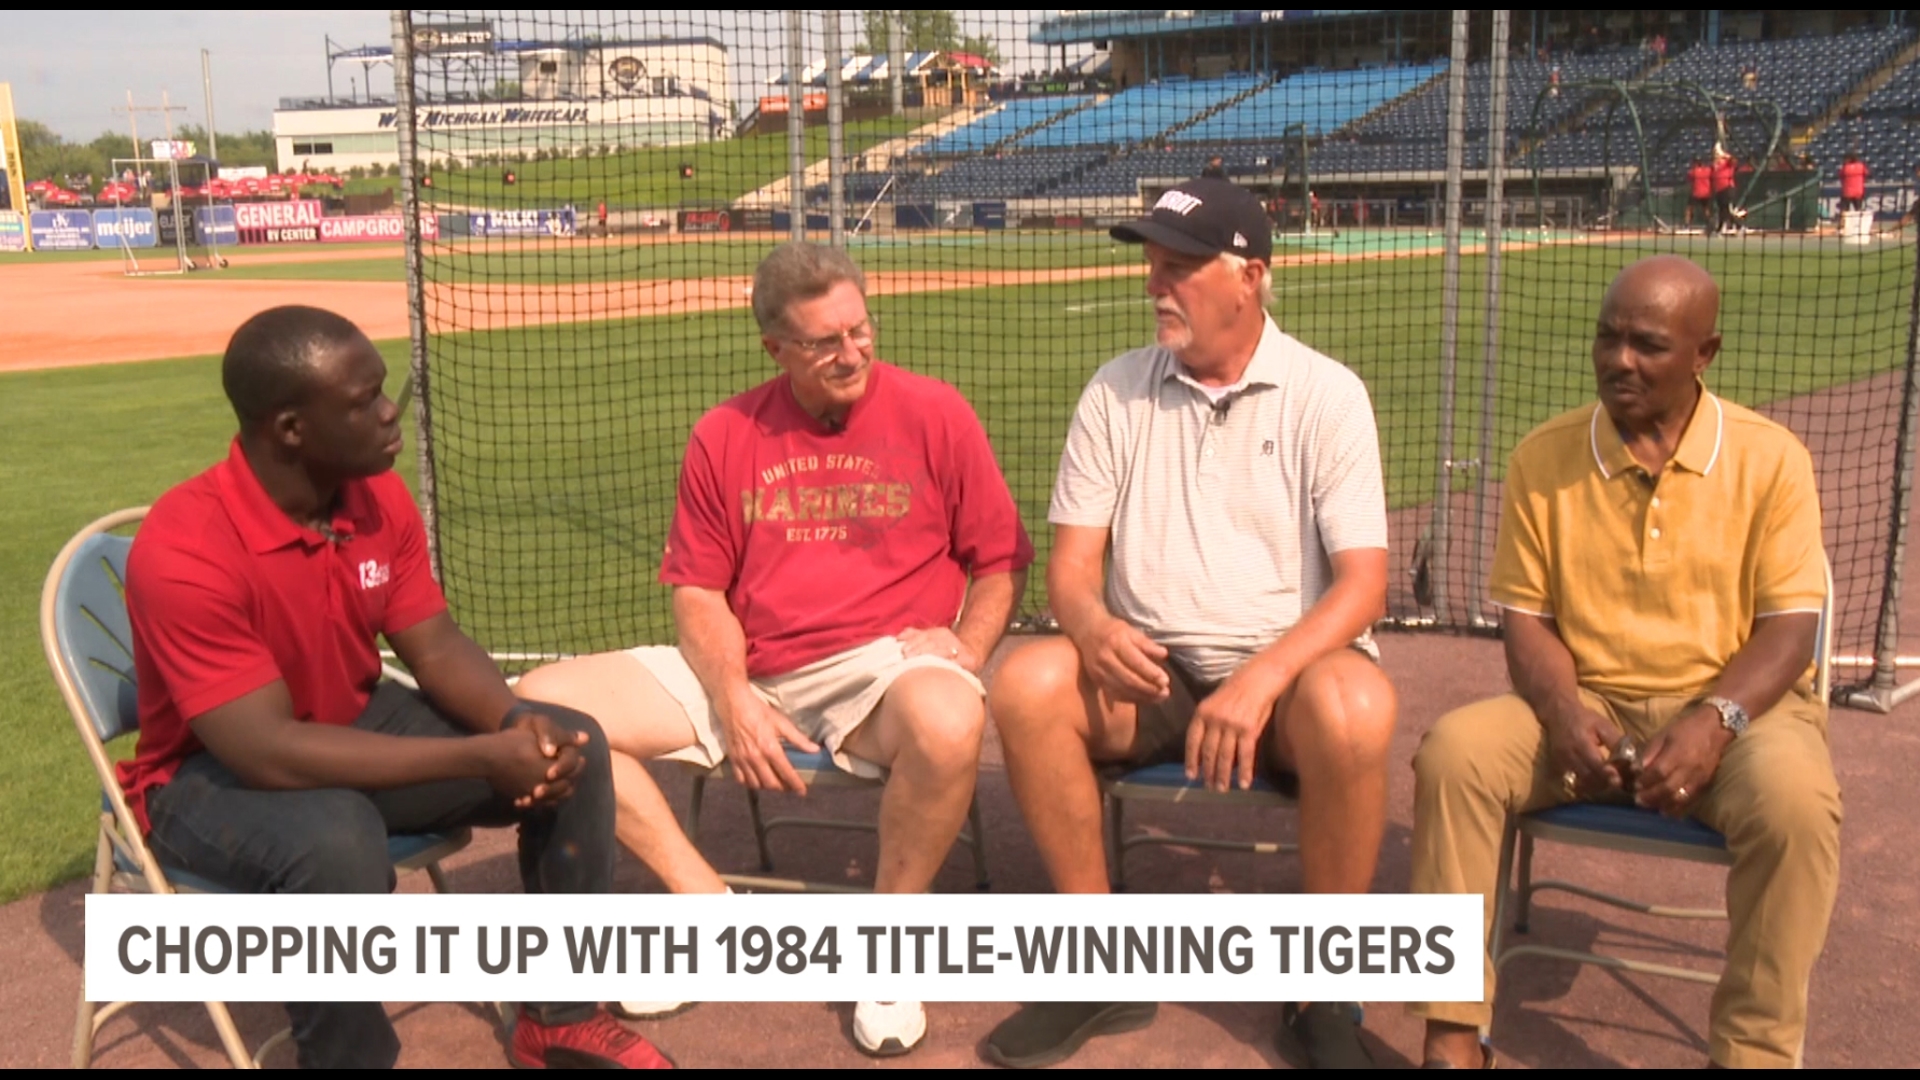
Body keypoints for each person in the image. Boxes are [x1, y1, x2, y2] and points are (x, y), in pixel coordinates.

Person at [513, 241, 1033, 1058]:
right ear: (776, 349)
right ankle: (709, 909)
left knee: (949, 715)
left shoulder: (937, 412)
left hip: (882, 667)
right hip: (745, 661)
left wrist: (966, 646)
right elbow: (697, 593)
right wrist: (732, 697)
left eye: (860, 329)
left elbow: (1000, 560)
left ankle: (888, 952)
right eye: (825, 342)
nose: (852, 352)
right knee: (540, 709)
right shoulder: (725, 432)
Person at [120, 306, 674, 1070]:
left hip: (349, 724)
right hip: (204, 775)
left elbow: (437, 646)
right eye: (363, 401)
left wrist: (515, 722)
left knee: (569, 744)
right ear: (290, 429)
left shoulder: (370, 495)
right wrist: (481, 756)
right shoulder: (185, 546)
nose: (390, 415)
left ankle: (562, 1016)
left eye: (384, 391)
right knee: (336, 839)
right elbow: (267, 752)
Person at [983, 177, 1397, 1070]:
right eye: (1151, 266)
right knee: (1024, 680)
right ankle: (1096, 969)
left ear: (1250, 276)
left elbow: (1364, 585)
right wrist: (1089, 627)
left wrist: (1259, 681)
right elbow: (1069, 571)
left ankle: (1324, 993)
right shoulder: (1115, 390)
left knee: (1357, 709)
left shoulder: (1328, 394)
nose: (1153, 287)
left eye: (1177, 268)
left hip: (1285, 683)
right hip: (1152, 674)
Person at [1410, 256, 1840, 1069]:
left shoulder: (1772, 457)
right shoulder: (1545, 455)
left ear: (1703, 353)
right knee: (1455, 754)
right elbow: (1526, 620)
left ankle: (1751, 1054)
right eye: (1607, 338)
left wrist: (1716, 721)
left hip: (1738, 708)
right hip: (1588, 700)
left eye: (1647, 344)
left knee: (1797, 805)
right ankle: (1453, 1035)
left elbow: (1790, 630)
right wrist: (1564, 711)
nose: (1619, 360)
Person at [1712, 148, 1738, 233]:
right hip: (1719, 190)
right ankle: (1736, 226)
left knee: (1726, 208)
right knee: (1722, 209)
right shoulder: (1715, 166)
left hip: (1727, 188)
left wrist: (1723, 154)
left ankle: (1734, 226)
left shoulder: (1727, 163)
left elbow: (1733, 160)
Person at [1685, 156, 1713, 227]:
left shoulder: (1693, 171)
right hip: (1706, 193)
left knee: (1689, 208)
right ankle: (1709, 223)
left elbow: (1689, 180)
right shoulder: (1708, 170)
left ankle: (1687, 223)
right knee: (1706, 209)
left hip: (1696, 193)